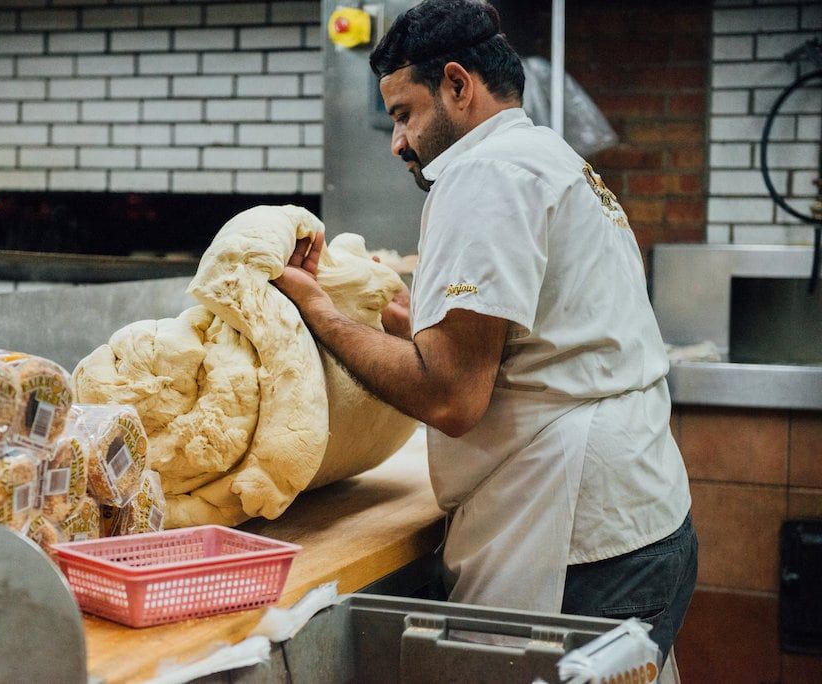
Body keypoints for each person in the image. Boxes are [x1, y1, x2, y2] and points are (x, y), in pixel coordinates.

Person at [273, 0, 696, 664]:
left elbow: (451, 398)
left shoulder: (483, 173)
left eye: (404, 113)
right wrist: (417, 324)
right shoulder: (547, 158)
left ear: (458, 86)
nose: (398, 142)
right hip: (640, 521)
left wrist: (319, 312)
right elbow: (543, 339)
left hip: (574, 537)